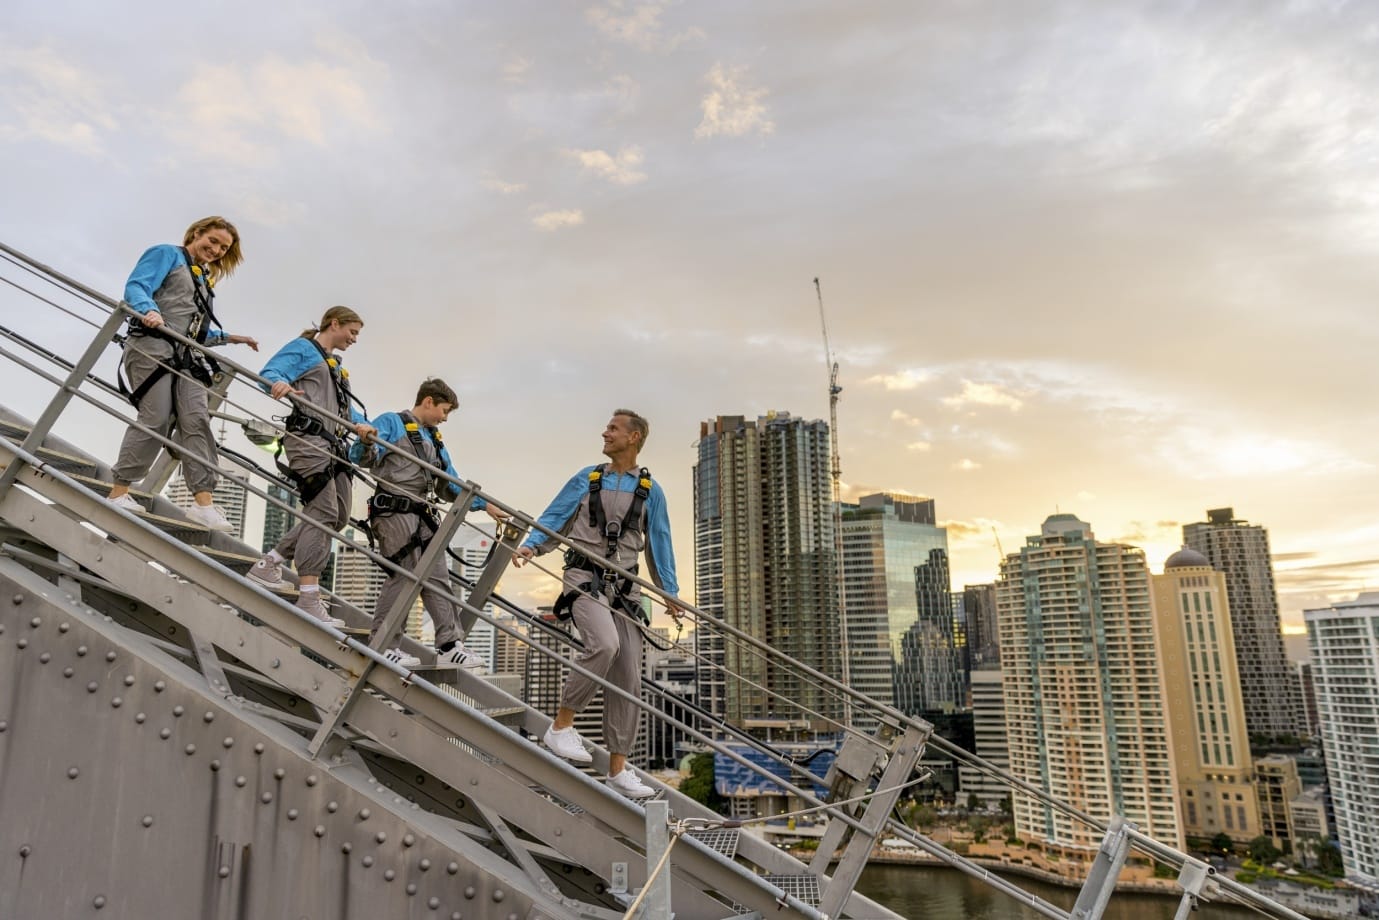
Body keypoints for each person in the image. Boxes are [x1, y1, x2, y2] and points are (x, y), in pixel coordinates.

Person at [512, 410, 680, 799]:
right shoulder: (588, 479)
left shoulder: (651, 490)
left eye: (613, 428)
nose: (605, 432)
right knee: (604, 644)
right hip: (584, 578)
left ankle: (618, 770)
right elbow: (556, 516)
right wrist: (532, 546)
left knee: (628, 679)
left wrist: (669, 591)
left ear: (634, 437)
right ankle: (561, 727)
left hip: (626, 589)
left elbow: (660, 542)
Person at [106, 216, 258, 531]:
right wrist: (148, 309)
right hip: (152, 347)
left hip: (185, 357)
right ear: (197, 233)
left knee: (196, 419)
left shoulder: (204, 279)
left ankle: (203, 504)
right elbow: (137, 286)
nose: (216, 249)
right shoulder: (167, 254)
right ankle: (119, 491)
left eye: (223, 247)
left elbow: (192, 331)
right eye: (213, 241)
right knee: (157, 418)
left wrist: (231, 338)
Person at [354, 378, 504, 669]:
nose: (445, 418)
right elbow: (362, 457)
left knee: (436, 576)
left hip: (422, 514)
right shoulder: (392, 422)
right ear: (428, 402)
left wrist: (483, 504)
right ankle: (384, 643)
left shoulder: (434, 439)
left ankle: (449, 644)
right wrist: (365, 439)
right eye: (444, 411)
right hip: (394, 511)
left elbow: (450, 482)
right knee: (404, 573)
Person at [247, 306, 376, 627]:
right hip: (308, 440)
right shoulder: (305, 349)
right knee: (322, 513)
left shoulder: (336, 366)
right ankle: (308, 596)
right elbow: (271, 373)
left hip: (334, 447)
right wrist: (280, 385)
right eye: (353, 332)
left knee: (339, 515)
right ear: (335, 324)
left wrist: (363, 426)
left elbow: (343, 412)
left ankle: (271, 562)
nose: (355, 339)